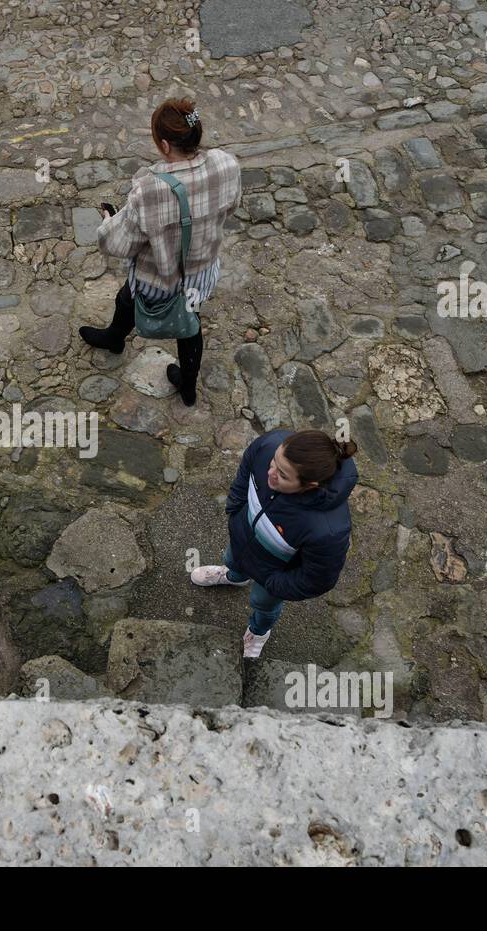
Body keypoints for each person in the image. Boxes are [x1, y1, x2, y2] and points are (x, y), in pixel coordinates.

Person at [81, 97, 242, 407]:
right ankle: (188, 388)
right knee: (189, 322)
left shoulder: (150, 190)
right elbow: (230, 208)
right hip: (202, 272)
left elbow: (117, 244)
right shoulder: (227, 164)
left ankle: (115, 338)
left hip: (159, 279)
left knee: (128, 297)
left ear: (165, 146)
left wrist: (110, 221)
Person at [191, 428, 359, 658]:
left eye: (282, 475)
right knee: (231, 560)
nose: (270, 473)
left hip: (272, 573)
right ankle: (233, 577)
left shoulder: (328, 531)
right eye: (274, 462)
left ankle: (258, 632)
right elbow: (248, 466)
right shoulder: (270, 445)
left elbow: (317, 579)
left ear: (309, 485)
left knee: (263, 604)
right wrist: (235, 508)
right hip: (242, 541)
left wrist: (273, 583)